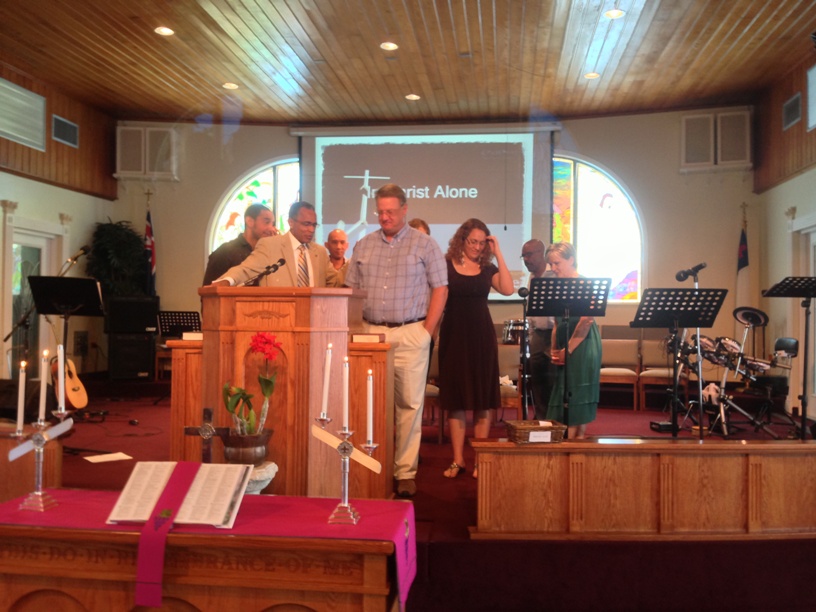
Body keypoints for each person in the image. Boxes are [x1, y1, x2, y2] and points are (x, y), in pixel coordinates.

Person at [344, 184, 448, 498]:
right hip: (369, 332)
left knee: (409, 405)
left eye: (390, 211)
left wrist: (426, 331)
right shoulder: (364, 245)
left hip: (410, 332)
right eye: (380, 212)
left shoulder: (425, 244)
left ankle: (404, 472)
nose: (385, 217)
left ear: (404, 210)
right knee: (368, 402)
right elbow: (351, 291)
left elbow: (441, 288)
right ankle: (369, 465)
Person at [438, 219, 513, 479]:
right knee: (456, 401)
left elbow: (508, 289)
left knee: (483, 400)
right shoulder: (446, 266)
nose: (477, 247)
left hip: (481, 337)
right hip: (454, 336)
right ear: (462, 239)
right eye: (473, 242)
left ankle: (480, 460)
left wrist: (498, 252)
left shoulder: (487, 267)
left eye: (482, 243)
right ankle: (458, 460)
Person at [545, 242, 602, 439]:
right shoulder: (557, 286)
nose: (553, 268)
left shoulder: (584, 284)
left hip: (582, 344)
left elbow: (586, 321)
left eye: (557, 263)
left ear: (571, 260)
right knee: (564, 393)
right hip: (565, 343)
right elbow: (556, 322)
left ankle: (575, 442)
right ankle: (571, 441)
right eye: (550, 264)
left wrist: (567, 350)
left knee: (577, 394)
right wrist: (554, 349)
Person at [211, 201, 338, 287]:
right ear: (291, 222)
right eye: (306, 224)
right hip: (280, 315)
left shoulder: (319, 252)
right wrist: (226, 281)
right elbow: (246, 269)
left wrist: (349, 267)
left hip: (313, 317)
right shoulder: (270, 246)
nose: (311, 229)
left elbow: (336, 282)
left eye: (314, 225)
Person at [521, 239, 556, 420]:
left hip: (555, 333)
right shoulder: (532, 278)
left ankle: (554, 419)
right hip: (538, 335)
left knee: (552, 380)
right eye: (523, 256)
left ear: (541, 254)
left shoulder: (554, 273)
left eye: (529, 255)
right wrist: (530, 335)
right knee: (537, 379)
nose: (526, 260)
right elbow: (531, 309)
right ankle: (541, 418)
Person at [202, 204, 277, 285]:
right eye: (267, 222)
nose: (272, 228)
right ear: (250, 221)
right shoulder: (225, 252)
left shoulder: (268, 253)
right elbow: (210, 289)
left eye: (272, 224)